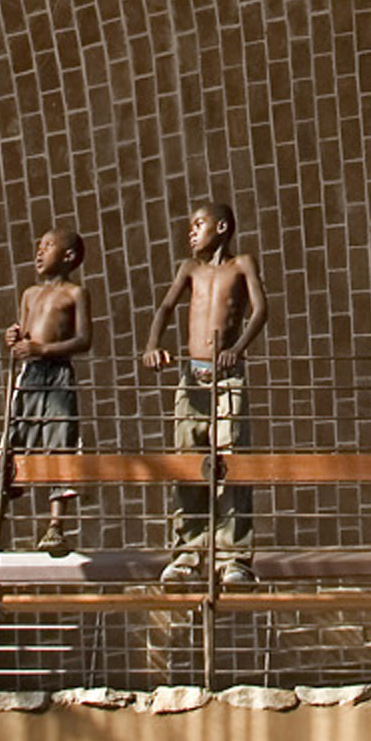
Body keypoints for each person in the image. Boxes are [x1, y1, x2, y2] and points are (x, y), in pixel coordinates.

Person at [142, 196, 267, 579]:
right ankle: (188, 552)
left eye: (198, 224)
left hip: (227, 378)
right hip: (191, 376)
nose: (191, 232)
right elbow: (165, 307)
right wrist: (152, 345)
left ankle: (234, 557)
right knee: (188, 462)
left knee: (231, 463)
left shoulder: (241, 264)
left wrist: (237, 348)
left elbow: (260, 310)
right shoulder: (190, 269)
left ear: (222, 228)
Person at [0, 222, 90, 554]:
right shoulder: (29, 293)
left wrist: (42, 350)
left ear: (68, 256)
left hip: (56, 372)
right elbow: (24, 329)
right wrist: (13, 337)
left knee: (61, 438)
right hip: (29, 374)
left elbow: (85, 339)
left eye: (48, 246)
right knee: (11, 437)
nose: (40, 252)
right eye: (39, 247)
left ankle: (56, 525)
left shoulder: (75, 293)